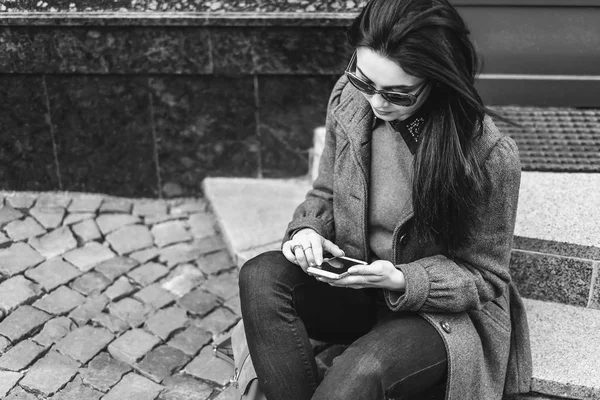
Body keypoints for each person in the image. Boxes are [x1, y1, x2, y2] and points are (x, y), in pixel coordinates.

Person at [238, 0, 532, 399]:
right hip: (355, 284)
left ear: (439, 79)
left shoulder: (487, 154)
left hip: (434, 314)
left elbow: (486, 276)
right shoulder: (349, 97)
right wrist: (308, 230)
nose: (376, 102)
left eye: (397, 93)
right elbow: (324, 192)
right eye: (365, 81)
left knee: (361, 372)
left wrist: (401, 279)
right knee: (260, 275)